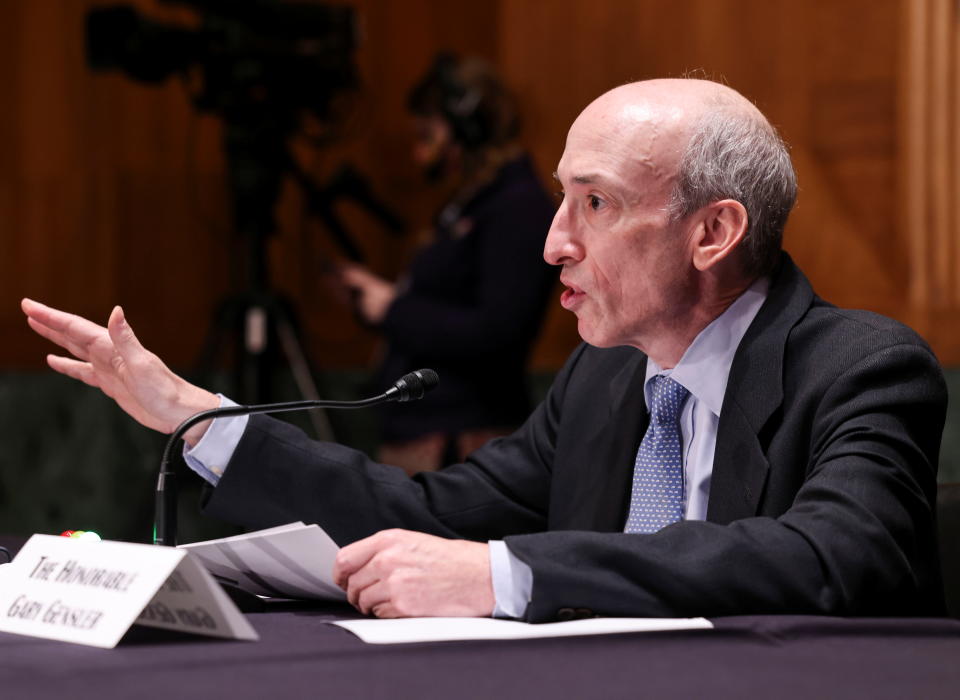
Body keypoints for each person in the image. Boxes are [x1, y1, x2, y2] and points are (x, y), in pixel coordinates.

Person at [22, 78, 947, 623]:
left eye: (595, 202)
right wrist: (196, 418)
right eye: (559, 199)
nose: (553, 243)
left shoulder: (862, 368)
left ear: (713, 232)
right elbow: (432, 509)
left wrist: (507, 575)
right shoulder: (605, 377)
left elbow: (832, 557)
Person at [338, 54, 556, 475]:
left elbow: (498, 331)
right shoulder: (469, 203)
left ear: (467, 127)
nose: (420, 150)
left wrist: (392, 309)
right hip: (426, 429)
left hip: (465, 439)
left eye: (428, 130)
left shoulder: (517, 208)